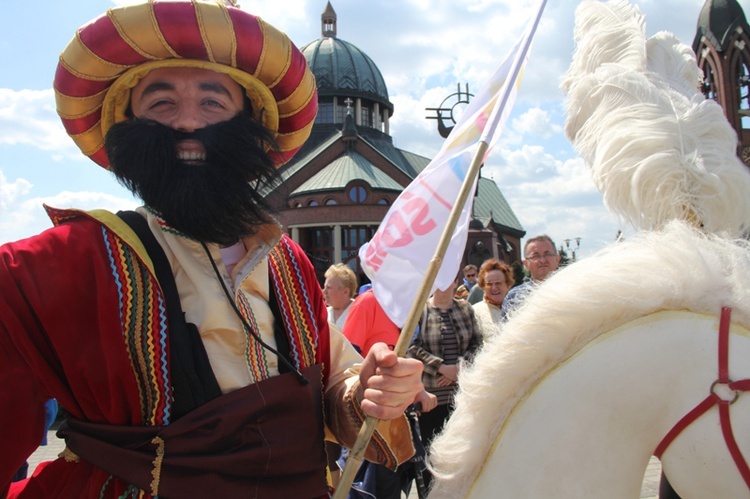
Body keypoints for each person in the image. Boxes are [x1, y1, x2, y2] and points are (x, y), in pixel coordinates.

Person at [0, 2, 423, 498]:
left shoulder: (289, 263)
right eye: (160, 104)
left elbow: (334, 383)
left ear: (250, 124)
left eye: (212, 103)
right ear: (128, 127)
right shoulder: (47, 269)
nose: (186, 124)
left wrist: (370, 388)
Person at [340, 290, 437, 499]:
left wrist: (417, 391)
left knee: (391, 489)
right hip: (366, 425)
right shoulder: (368, 303)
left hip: (395, 427)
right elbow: (346, 362)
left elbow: (400, 363)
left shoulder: (407, 310)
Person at [406, 276, 483, 491]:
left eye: (448, 280)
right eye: (438, 280)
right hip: (431, 397)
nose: (443, 285)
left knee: (461, 451)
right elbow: (412, 347)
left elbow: (478, 343)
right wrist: (440, 367)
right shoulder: (420, 310)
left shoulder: (465, 308)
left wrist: (459, 369)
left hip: (461, 395)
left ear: (455, 282)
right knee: (432, 454)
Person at [500, 234, 561, 320]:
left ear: (557, 259)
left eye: (547, 254)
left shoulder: (573, 290)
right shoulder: (514, 297)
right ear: (526, 264)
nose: (542, 260)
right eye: (535, 256)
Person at [471, 259, 515, 338]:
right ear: (483, 286)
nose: (494, 288)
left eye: (498, 283)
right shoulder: (474, 312)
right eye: (489, 284)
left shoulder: (520, 307)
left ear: (507, 284)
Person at [323, 263, 358, 330]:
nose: (324, 291)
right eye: (324, 287)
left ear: (345, 292)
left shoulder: (359, 313)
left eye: (329, 287)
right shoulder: (324, 314)